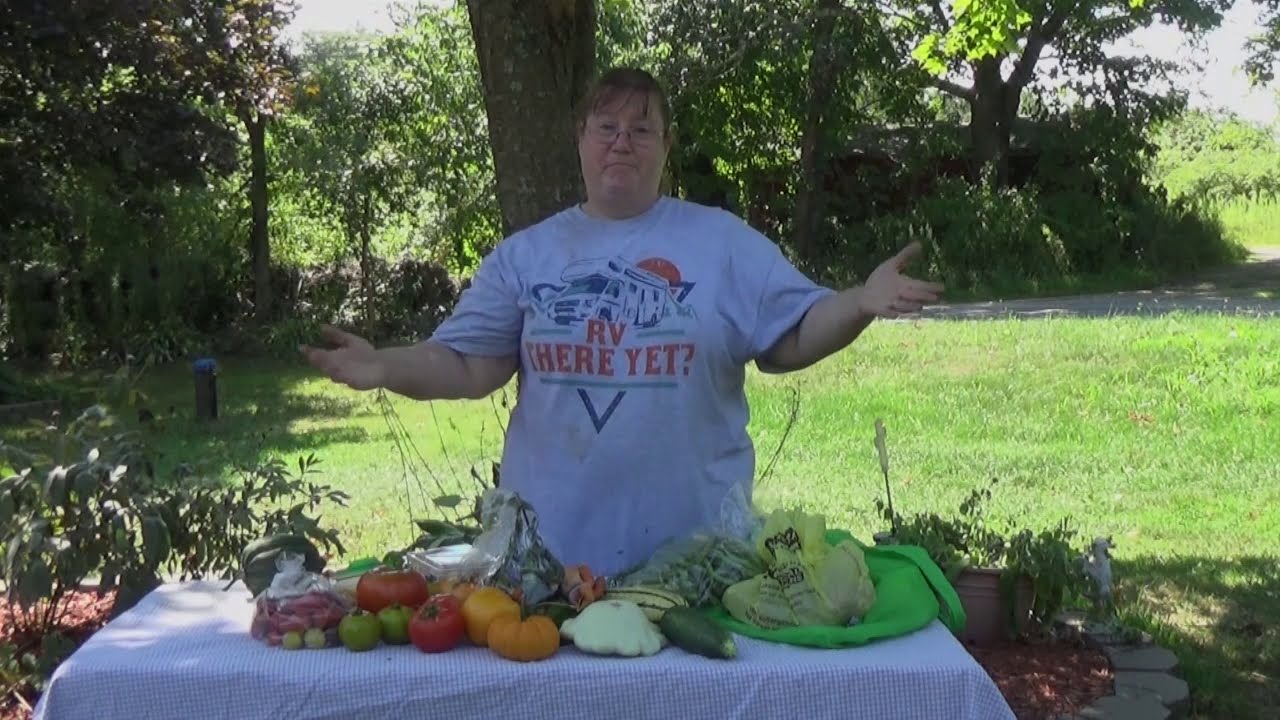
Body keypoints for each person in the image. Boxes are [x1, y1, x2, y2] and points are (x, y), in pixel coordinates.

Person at [302, 67, 943, 577]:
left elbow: (796, 333)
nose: (621, 141)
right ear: (580, 137)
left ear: (666, 146)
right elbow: (468, 365)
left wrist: (859, 300)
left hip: (696, 567)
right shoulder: (528, 255)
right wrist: (385, 365)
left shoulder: (719, 242)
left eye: (641, 129)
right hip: (549, 567)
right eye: (606, 125)